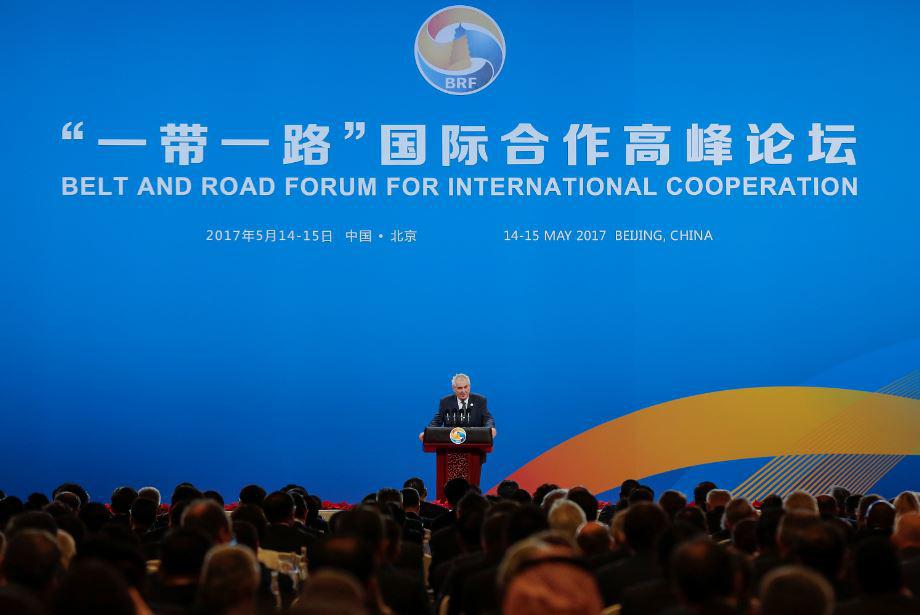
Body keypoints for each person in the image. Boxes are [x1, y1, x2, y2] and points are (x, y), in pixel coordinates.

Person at [419, 373, 496, 440]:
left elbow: (487, 418)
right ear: (453, 388)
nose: (463, 391)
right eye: (459, 388)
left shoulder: (480, 400)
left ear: (469, 386)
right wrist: (427, 432)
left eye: (465, 387)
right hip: (450, 443)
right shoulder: (445, 401)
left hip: (475, 442)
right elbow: (437, 420)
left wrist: (491, 428)